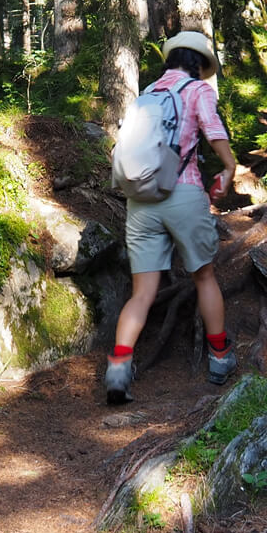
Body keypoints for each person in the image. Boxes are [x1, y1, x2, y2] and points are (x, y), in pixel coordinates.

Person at [106, 30, 240, 404]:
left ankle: (118, 371)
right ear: (198, 64)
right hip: (182, 192)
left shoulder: (146, 95)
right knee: (204, 275)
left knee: (142, 293)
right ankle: (219, 358)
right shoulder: (197, 91)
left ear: (169, 60)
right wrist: (230, 166)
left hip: (141, 200)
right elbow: (213, 132)